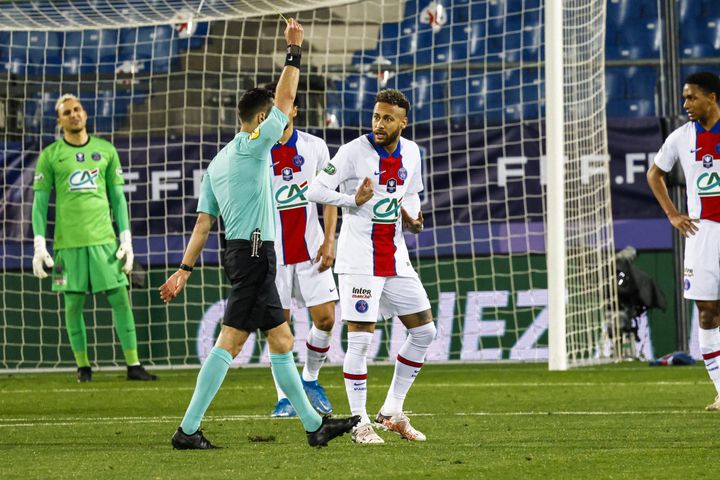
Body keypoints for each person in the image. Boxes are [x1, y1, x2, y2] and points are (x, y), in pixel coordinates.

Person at [160, 18, 359, 449]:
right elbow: (286, 100)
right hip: (255, 252)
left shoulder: (217, 163)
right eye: (272, 115)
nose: (280, 117)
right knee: (229, 344)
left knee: (282, 339)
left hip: (239, 250)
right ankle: (188, 430)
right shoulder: (253, 148)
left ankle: (313, 427)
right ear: (260, 119)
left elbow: (202, 223)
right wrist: (293, 50)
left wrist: (183, 269)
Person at [307, 89, 436, 444]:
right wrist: (352, 200)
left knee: (425, 331)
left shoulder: (412, 152)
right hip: (359, 258)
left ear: (403, 122)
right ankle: (359, 421)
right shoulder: (352, 152)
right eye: (376, 117)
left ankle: (392, 410)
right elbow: (314, 191)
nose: (379, 124)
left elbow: (410, 191)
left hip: (394, 255)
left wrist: (413, 217)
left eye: (387, 118)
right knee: (361, 341)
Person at [31, 94, 157, 383]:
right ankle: (83, 367)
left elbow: (118, 199)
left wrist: (126, 239)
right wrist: (40, 244)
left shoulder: (106, 150)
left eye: (77, 109)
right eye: (67, 112)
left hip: (105, 243)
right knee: (73, 306)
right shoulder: (50, 155)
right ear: (59, 120)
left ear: (85, 114)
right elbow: (39, 205)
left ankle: (133, 365)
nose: (74, 114)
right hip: (67, 246)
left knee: (121, 301)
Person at [264, 82, 338, 418]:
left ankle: (309, 379)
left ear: (294, 110)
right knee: (279, 328)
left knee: (325, 319)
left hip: (311, 248)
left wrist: (330, 239)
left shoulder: (316, 147)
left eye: (284, 107)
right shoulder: (256, 151)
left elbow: (329, 194)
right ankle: (284, 397)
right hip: (273, 254)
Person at [647, 71, 720, 411]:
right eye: (684, 97)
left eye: (692, 97)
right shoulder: (679, 137)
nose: (686, 104)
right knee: (707, 312)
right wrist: (673, 214)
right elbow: (654, 173)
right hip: (702, 233)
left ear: (712, 98)